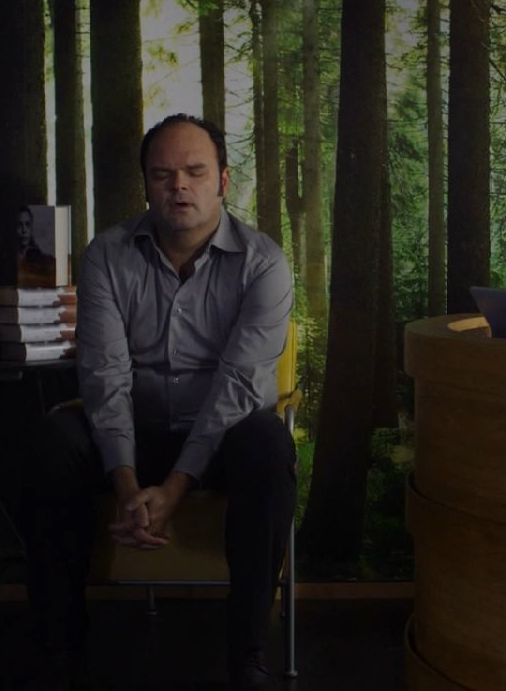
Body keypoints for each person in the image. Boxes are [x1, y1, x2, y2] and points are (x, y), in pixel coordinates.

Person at [23, 114, 296, 691]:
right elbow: (105, 376)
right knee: (53, 441)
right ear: (145, 183)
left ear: (223, 180)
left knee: (268, 441)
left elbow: (238, 386)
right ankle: (57, 650)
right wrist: (127, 485)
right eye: (163, 174)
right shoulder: (107, 255)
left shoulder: (264, 263)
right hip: (134, 432)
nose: (179, 187)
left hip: (220, 441)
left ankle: (248, 655)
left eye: (195, 172)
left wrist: (173, 491)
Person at [17, 206, 58, 287]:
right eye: (19, 225)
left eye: (27, 225)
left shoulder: (40, 257)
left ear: (32, 227)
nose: (24, 230)